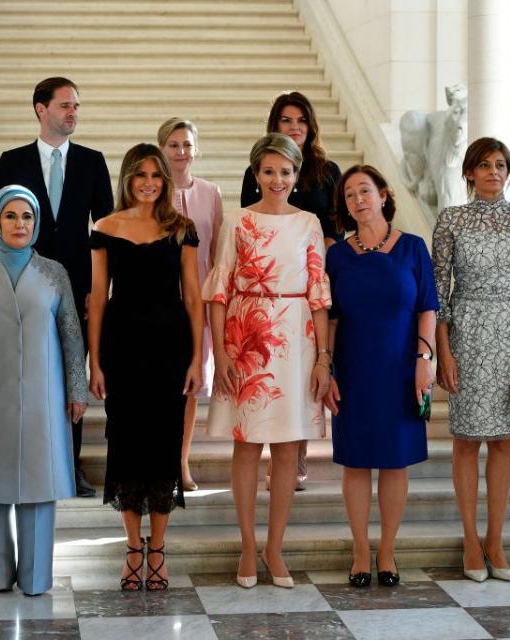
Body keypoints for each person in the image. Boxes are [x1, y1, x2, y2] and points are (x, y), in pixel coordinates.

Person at [0, 185, 88, 596]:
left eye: (26, 216)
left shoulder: (54, 273)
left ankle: (36, 578)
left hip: (44, 396)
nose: (19, 224)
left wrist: (77, 388)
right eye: (10, 216)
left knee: (40, 486)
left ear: (36, 222)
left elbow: (72, 338)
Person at [205, 133, 332, 588]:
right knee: (245, 444)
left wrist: (322, 357)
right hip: (247, 334)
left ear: (296, 176)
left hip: (296, 339)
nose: (277, 179)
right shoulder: (237, 221)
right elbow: (219, 289)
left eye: (286, 171)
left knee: (286, 448)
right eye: (269, 170)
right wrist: (219, 351)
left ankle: (274, 548)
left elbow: (319, 294)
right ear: (255, 173)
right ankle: (245, 544)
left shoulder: (309, 223)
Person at [431, 137, 510, 582]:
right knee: (465, 441)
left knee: (503, 440)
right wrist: (443, 352)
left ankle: (495, 539)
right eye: (483, 165)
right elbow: (437, 296)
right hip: (465, 333)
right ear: (468, 172)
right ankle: (469, 538)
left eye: (501, 165)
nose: (493, 172)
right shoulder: (450, 221)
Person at [87, 144, 204, 591]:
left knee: (162, 447)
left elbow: (192, 296)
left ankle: (159, 549)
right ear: (128, 178)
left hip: (170, 350)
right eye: (141, 175)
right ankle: (133, 548)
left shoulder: (182, 229)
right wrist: (94, 361)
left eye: (156, 175)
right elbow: (98, 298)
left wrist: (197, 357)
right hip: (122, 350)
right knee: (127, 447)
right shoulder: (105, 228)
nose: (150, 182)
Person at [0, 76, 113, 498]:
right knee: (26, 376)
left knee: (71, 378)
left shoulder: (93, 162)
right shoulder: (12, 161)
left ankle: (70, 465)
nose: (73, 112)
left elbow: (107, 232)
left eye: (76, 105)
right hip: (26, 289)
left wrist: (99, 290)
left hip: (78, 292)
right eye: (64, 105)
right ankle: (25, 461)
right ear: (41, 109)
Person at [324, 165, 438, 588]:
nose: (358, 200)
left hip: (401, 369)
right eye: (350, 195)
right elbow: (330, 318)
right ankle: (359, 550)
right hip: (353, 368)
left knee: (394, 463)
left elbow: (427, 306)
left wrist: (424, 358)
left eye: (365, 191)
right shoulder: (337, 255)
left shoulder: (412, 248)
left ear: (384, 195)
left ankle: (387, 549)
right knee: (355, 463)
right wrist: (328, 367)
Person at [240, 91, 342, 491]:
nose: (294, 126)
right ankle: (271, 453)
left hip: (312, 277)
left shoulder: (327, 170)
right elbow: (252, 225)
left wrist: (324, 259)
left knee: (300, 375)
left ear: (310, 125)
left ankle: (294, 456)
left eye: (301, 119)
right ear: (275, 124)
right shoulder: (257, 170)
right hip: (268, 285)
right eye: (286, 120)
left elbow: (335, 225)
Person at [158, 117, 224, 492]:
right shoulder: (151, 191)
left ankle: (181, 463)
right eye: (173, 145)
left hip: (198, 304)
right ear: (161, 149)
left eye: (186, 144)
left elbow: (215, 254)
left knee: (189, 388)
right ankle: (160, 460)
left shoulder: (211, 193)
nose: (181, 152)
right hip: (161, 303)